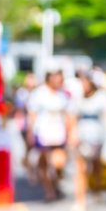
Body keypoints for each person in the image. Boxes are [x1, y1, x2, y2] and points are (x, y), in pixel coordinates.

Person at [69, 73, 106, 211]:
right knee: (81, 168)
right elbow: (72, 116)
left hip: (97, 137)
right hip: (82, 137)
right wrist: (73, 133)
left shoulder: (101, 97)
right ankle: (80, 200)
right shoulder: (77, 98)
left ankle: (96, 190)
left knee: (96, 165)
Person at [26, 71, 72, 202]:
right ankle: (49, 191)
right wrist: (30, 132)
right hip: (43, 133)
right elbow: (32, 114)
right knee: (44, 163)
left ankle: (55, 182)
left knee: (59, 162)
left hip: (58, 132)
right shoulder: (39, 94)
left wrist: (69, 131)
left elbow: (67, 114)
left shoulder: (62, 95)